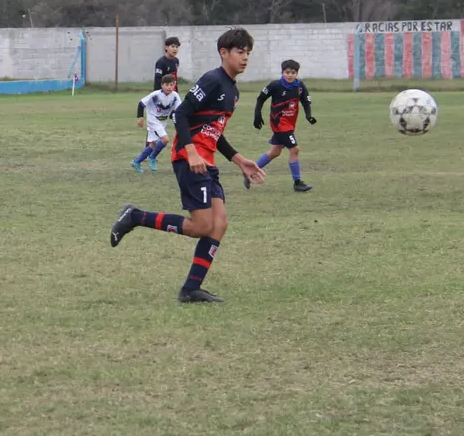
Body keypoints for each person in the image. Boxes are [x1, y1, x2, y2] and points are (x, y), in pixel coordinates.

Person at [110, 28, 266, 304]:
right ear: (224, 53)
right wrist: (192, 152)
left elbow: (213, 130)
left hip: (207, 161)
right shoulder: (212, 80)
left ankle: (191, 289)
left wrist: (239, 159)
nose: (245, 58)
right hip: (189, 159)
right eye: (240, 52)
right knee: (202, 226)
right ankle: (135, 217)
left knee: (220, 224)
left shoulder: (232, 90)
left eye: (248, 53)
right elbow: (181, 114)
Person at [247, 59, 316, 192]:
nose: (290, 75)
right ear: (282, 72)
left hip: (289, 124)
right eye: (287, 72)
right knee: (294, 150)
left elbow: (306, 101)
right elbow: (260, 98)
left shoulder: (299, 86)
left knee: (275, 152)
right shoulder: (276, 85)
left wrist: (308, 115)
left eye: (293, 72)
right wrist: (257, 114)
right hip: (279, 123)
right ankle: (297, 183)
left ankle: (249, 171)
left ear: (297, 73)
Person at [132, 74, 182, 172]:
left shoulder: (175, 96)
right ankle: (152, 157)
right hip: (153, 120)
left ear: (174, 85)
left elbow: (179, 110)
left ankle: (136, 162)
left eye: (171, 85)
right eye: (167, 85)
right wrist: (141, 118)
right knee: (165, 139)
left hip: (162, 122)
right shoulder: (155, 95)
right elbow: (141, 104)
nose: (169, 87)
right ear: (162, 85)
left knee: (153, 144)